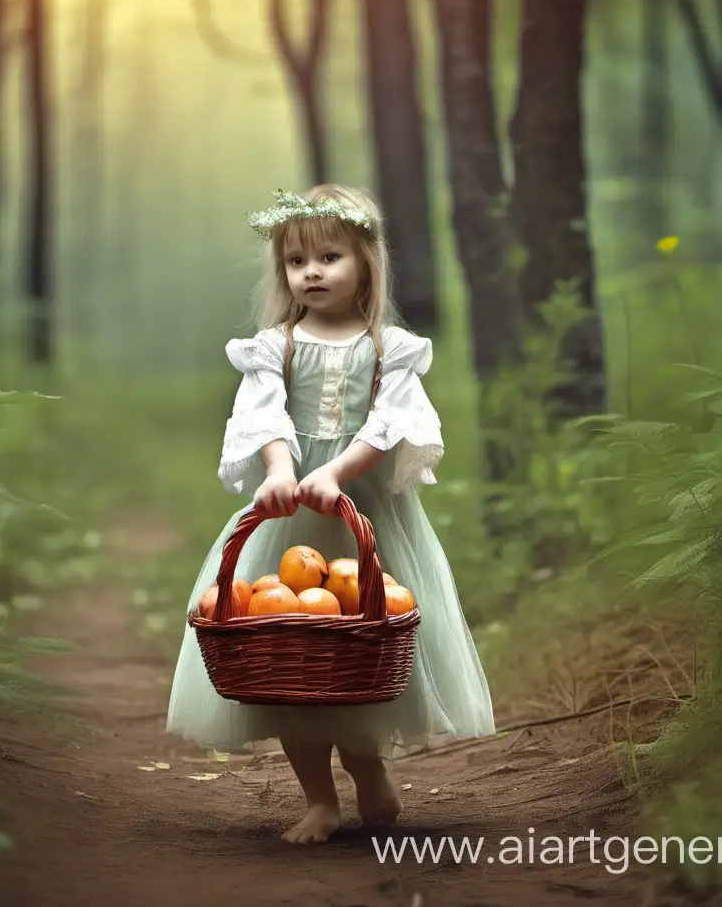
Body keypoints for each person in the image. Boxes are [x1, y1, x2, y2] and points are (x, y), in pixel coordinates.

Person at [164, 184, 495, 845]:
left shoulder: (390, 348)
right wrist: (283, 472)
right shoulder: (276, 345)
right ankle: (319, 799)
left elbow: (390, 422)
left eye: (329, 257)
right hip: (290, 516)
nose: (310, 271)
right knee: (289, 650)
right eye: (296, 261)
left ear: (366, 262)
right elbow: (262, 415)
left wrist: (338, 471)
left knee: (360, 646)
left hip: (364, 512)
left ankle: (369, 772)